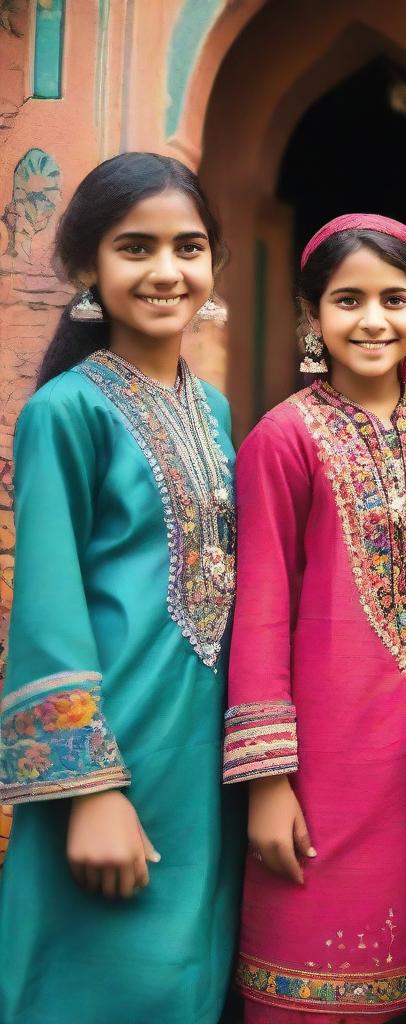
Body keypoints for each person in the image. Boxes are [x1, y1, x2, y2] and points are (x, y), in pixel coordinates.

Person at [0, 152, 241, 1023]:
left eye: (188, 247)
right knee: (89, 985)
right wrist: (89, 793)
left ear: (214, 264)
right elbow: (49, 612)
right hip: (111, 764)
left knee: (184, 983)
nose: (167, 271)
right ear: (90, 270)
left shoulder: (213, 413)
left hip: (199, 763)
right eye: (135, 248)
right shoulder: (65, 413)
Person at [223, 214, 406, 1022]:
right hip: (317, 776)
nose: (372, 320)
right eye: (347, 299)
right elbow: (257, 614)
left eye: (394, 300)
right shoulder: (282, 439)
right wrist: (267, 783)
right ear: (310, 316)